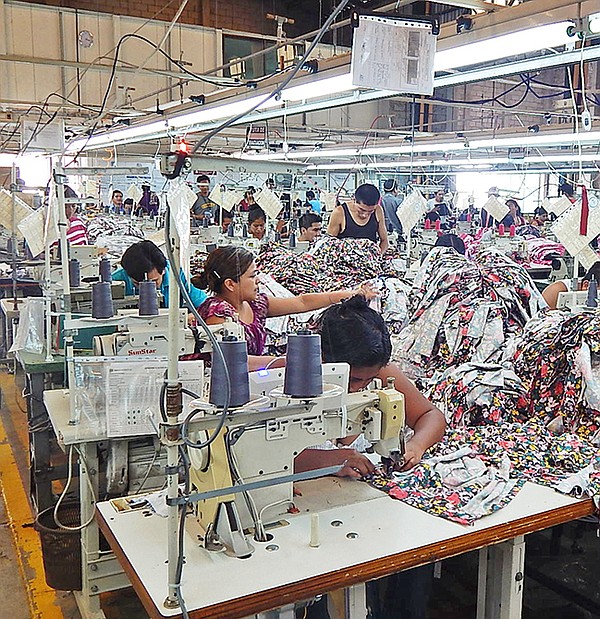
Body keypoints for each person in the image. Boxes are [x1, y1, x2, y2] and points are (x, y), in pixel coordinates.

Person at [295, 296, 446, 619]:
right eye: (353, 381)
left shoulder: (381, 375)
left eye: (367, 380)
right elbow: (264, 457)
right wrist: (331, 460)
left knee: (415, 553)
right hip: (312, 515)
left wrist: (415, 446)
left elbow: (431, 416)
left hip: (367, 505)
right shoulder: (294, 377)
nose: (361, 387)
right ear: (324, 358)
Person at [192, 246, 376, 370]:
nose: (258, 280)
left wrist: (351, 294)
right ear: (230, 284)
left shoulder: (254, 305)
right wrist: (290, 361)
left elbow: (302, 303)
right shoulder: (217, 314)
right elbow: (231, 362)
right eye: (252, 276)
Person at [112, 240, 206, 308]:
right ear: (127, 274)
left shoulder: (176, 273)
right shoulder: (114, 281)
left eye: (154, 282)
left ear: (164, 270)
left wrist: (188, 318)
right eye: (137, 284)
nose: (148, 290)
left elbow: (206, 306)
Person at [327, 183, 389, 252]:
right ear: (354, 200)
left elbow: (384, 241)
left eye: (370, 211)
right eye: (362, 210)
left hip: (370, 259)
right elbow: (329, 244)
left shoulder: (378, 210)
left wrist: (378, 256)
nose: (365, 215)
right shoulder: (339, 213)